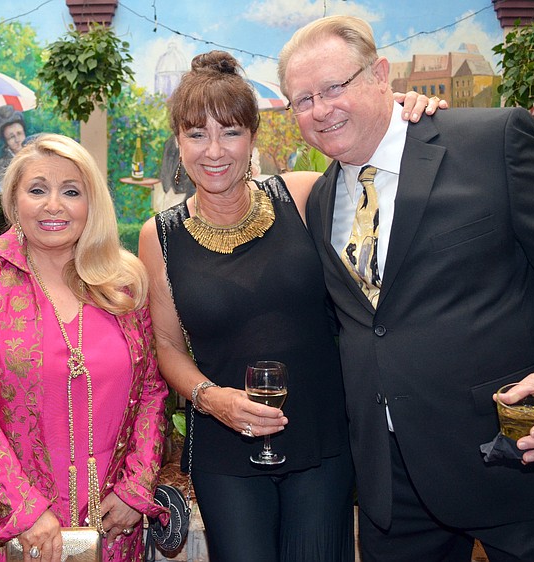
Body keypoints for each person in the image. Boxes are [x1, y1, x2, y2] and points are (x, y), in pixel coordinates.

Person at [279, 15, 534, 561]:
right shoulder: (318, 202)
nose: (320, 108)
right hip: (392, 489)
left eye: (334, 87)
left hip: (516, 456)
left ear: (380, 74)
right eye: (302, 99)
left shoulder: (490, 141)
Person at [137, 50, 442, 562]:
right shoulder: (159, 237)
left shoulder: (301, 195)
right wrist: (213, 401)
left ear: (252, 138)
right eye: (196, 134)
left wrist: (405, 114)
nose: (214, 151)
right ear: (179, 143)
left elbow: (380, 186)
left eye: (230, 132)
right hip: (225, 447)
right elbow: (166, 345)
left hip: (321, 436)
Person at [0, 133, 169, 562]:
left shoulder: (123, 280)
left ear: (91, 203)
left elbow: (152, 392)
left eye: (71, 191)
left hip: (111, 522)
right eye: (38, 189)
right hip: (7, 528)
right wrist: (24, 510)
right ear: (14, 200)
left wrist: (137, 487)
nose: (54, 206)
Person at [0, 104, 28, 181]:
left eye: (19, 133)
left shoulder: (35, 156)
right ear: (5, 140)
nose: (17, 139)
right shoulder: (0, 165)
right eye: (11, 137)